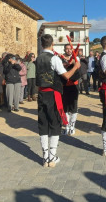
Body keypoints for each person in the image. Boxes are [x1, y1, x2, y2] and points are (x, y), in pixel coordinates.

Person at [36, 35, 80, 167]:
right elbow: (66, 76)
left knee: (43, 123)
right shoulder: (54, 58)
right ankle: (52, 157)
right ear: (52, 44)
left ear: (42, 44)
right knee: (55, 123)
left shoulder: (38, 58)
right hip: (53, 94)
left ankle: (45, 157)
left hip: (41, 94)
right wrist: (75, 67)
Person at [61, 44, 81, 136]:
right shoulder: (60, 58)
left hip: (74, 85)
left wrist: (73, 62)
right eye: (67, 49)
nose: (68, 50)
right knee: (65, 107)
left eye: (70, 49)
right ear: (64, 49)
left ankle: (72, 126)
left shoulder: (76, 58)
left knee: (73, 107)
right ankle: (66, 126)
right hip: (64, 85)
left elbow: (79, 67)